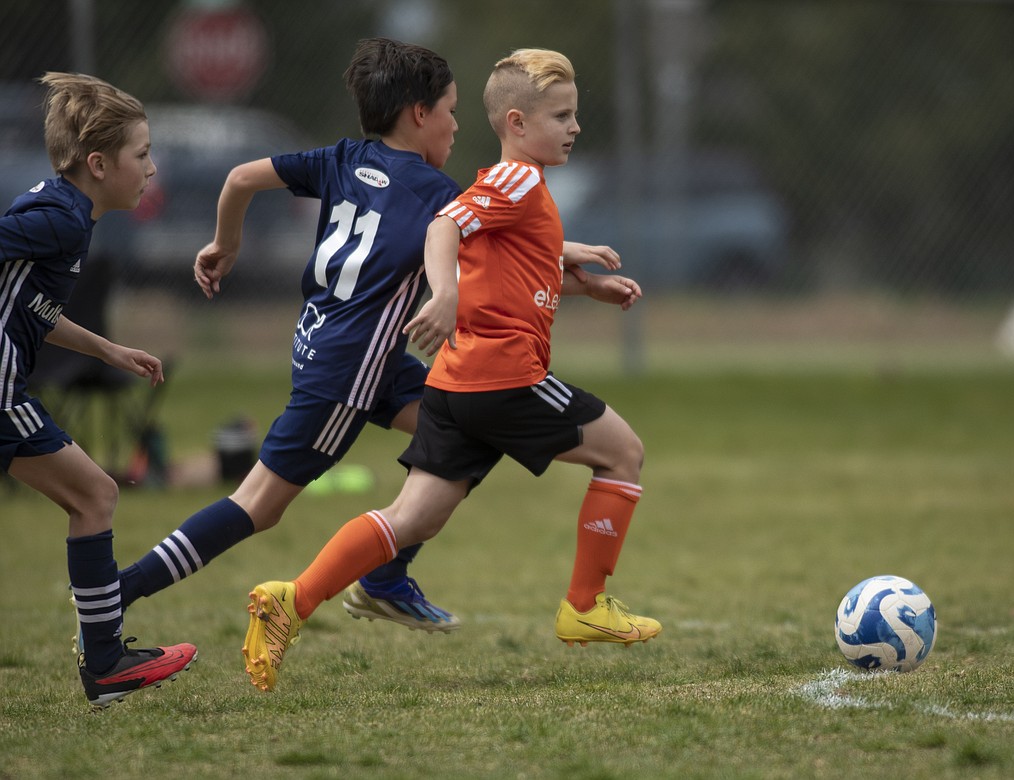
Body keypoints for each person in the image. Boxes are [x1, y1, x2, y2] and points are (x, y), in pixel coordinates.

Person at [115, 39, 620, 634]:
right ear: (419, 114)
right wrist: (569, 267)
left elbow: (239, 178)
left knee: (468, 437)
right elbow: (482, 251)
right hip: (349, 372)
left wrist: (226, 243)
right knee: (257, 505)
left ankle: (384, 580)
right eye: (452, 111)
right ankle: (119, 591)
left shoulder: (342, 158)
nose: (458, 126)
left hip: (338, 347)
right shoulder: (434, 194)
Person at [241, 48, 660, 693]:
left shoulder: (516, 188)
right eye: (563, 115)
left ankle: (288, 601)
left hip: (456, 385)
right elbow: (443, 226)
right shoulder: (517, 179)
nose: (576, 127)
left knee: (412, 519)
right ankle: (585, 607)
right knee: (623, 452)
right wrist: (441, 296)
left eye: (576, 114)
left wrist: (585, 287)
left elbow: (508, 271)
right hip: (505, 378)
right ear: (516, 123)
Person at [1, 72, 197, 708]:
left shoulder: (66, 213)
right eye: (141, 155)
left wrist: (107, 349)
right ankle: (106, 661)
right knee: (95, 493)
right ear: (97, 162)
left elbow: (30, 305)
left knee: (94, 494)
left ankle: (106, 660)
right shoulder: (58, 217)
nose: (150, 168)